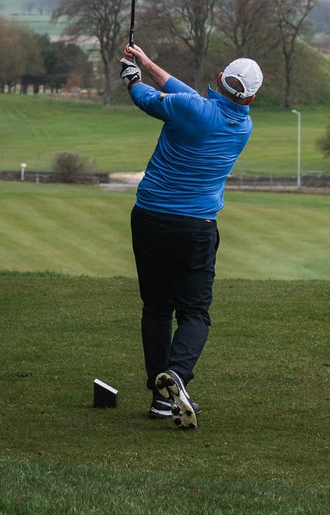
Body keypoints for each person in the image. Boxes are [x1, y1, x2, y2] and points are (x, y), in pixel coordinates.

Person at [118, 41, 262, 430]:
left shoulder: (192, 109)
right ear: (250, 98)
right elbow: (189, 99)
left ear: (219, 77)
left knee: (156, 308)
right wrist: (148, 64)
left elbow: (148, 100)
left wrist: (132, 78)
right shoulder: (242, 125)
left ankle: (162, 396)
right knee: (194, 313)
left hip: (150, 218)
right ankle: (177, 375)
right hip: (196, 228)